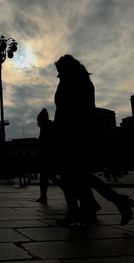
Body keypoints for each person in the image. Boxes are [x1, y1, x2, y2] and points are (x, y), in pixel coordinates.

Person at [53, 54, 133, 226]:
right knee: (80, 176)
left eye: (59, 71)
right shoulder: (80, 80)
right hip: (77, 135)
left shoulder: (74, 82)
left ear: (67, 68)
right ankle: (93, 206)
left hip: (74, 136)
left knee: (72, 175)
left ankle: (94, 206)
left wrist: (60, 132)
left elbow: (69, 111)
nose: (58, 75)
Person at [36, 108, 62, 204]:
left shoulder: (47, 128)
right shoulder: (46, 127)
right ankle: (43, 196)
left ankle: (71, 194)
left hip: (48, 159)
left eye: (38, 121)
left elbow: (46, 144)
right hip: (46, 158)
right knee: (45, 179)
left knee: (50, 178)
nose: (37, 123)